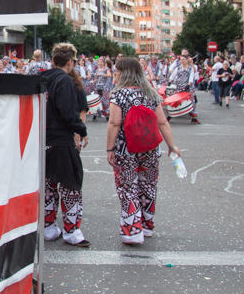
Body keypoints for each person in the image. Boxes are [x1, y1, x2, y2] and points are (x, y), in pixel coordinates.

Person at [106, 58, 181, 245]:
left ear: (124, 73)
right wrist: (172, 146)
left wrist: (110, 148)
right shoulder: (151, 93)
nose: (115, 73)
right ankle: (147, 226)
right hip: (150, 148)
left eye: (118, 71)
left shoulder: (119, 95)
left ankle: (132, 230)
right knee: (148, 186)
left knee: (128, 187)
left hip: (126, 150)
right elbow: (162, 122)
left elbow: (114, 123)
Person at [42, 43, 90, 247]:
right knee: (71, 186)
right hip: (61, 140)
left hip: (41, 139)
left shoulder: (42, 78)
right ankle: (72, 231)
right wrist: (82, 130)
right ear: (70, 62)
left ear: (53, 60)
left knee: (47, 187)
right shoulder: (64, 80)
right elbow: (69, 111)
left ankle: (48, 228)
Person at [166, 51, 201, 124]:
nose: (182, 61)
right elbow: (172, 76)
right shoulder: (178, 68)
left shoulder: (190, 68)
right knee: (175, 102)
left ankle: (193, 117)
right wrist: (170, 81)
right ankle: (170, 116)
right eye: (181, 60)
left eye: (183, 59)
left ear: (187, 60)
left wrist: (188, 85)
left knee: (192, 102)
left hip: (188, 88)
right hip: (179, 87)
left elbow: (191, 78)